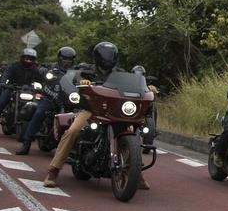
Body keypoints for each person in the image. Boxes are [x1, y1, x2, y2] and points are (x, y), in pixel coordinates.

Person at [42, 42, 149, 190]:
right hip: (92, 111)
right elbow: (74, 77)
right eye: (105, 57)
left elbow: (132, 85)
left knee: (136, 135)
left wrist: (145, 88)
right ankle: (53, 171)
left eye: (110, 57)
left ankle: (136, 174)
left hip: (116, 113)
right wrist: (81, 82)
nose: (107, 60)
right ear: (98, 58)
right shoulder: (86, 70)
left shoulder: (120, 73)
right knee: (72, 131)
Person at [15, 46, 77, 155]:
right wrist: (42, 70)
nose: (66, 63)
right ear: (59, 59)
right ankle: (26, 143)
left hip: (67, 101)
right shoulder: (52, 68)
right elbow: (42, 70)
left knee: (78, 118)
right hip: (49, 99)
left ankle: (74, 149)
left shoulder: (75, 72)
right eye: (64, 60)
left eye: (69, 60)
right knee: (39, 113)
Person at [0, 48, 43, 136]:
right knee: (0, 104)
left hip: (27, 90)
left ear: (34, 60)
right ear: (22, 58)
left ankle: (34, 132)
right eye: (26, 58)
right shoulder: (14, 66)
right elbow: (6, 74)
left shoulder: (35, 69)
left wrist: (42, 86)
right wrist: (3, 83)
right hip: (12, 88)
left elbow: (41, 80)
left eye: (30, 59)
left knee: (37, 106)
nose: (28, 60)